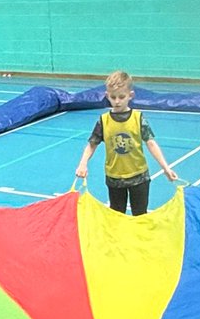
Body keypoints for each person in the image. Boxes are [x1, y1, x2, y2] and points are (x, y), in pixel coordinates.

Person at [75, 71, 177, 215]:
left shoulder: (138, 118)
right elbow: (92, 144)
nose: (117, 101)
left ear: (131, 95)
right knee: (117, 215)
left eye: (121, 97)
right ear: (107, 96)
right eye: (113, 97)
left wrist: (166, 168)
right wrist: (83, 163)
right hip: (114, 178)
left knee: (140, 215)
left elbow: (151, 143)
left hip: (139, 177)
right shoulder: (104, 121)